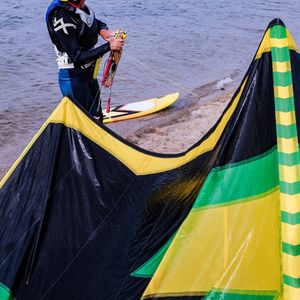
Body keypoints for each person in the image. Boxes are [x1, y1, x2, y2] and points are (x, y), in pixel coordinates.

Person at [46, 0, 124, 121]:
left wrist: (104, 31)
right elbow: (77, 58)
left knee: (98, 119)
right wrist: (108, 46)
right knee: (84, 124)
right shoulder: (61, 18)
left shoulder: (80, 9)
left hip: (89, 75)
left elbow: (93, 22)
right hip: (73, 78)